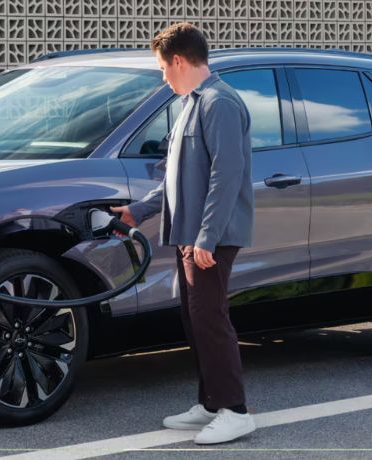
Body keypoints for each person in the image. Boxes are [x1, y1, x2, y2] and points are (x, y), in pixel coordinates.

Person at [110, 22, 256, 445]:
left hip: (210, 236)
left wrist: (208, 237)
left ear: (178, 60)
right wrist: (139, 211)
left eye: (162, 68)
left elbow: (226, 176)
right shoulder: (190, 104)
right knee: (194, 317)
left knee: (210, 318)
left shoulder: (220, 104)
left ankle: (236, 410)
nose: (162, 76)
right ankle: (211, 403)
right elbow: (175, 178)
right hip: (189, 233)